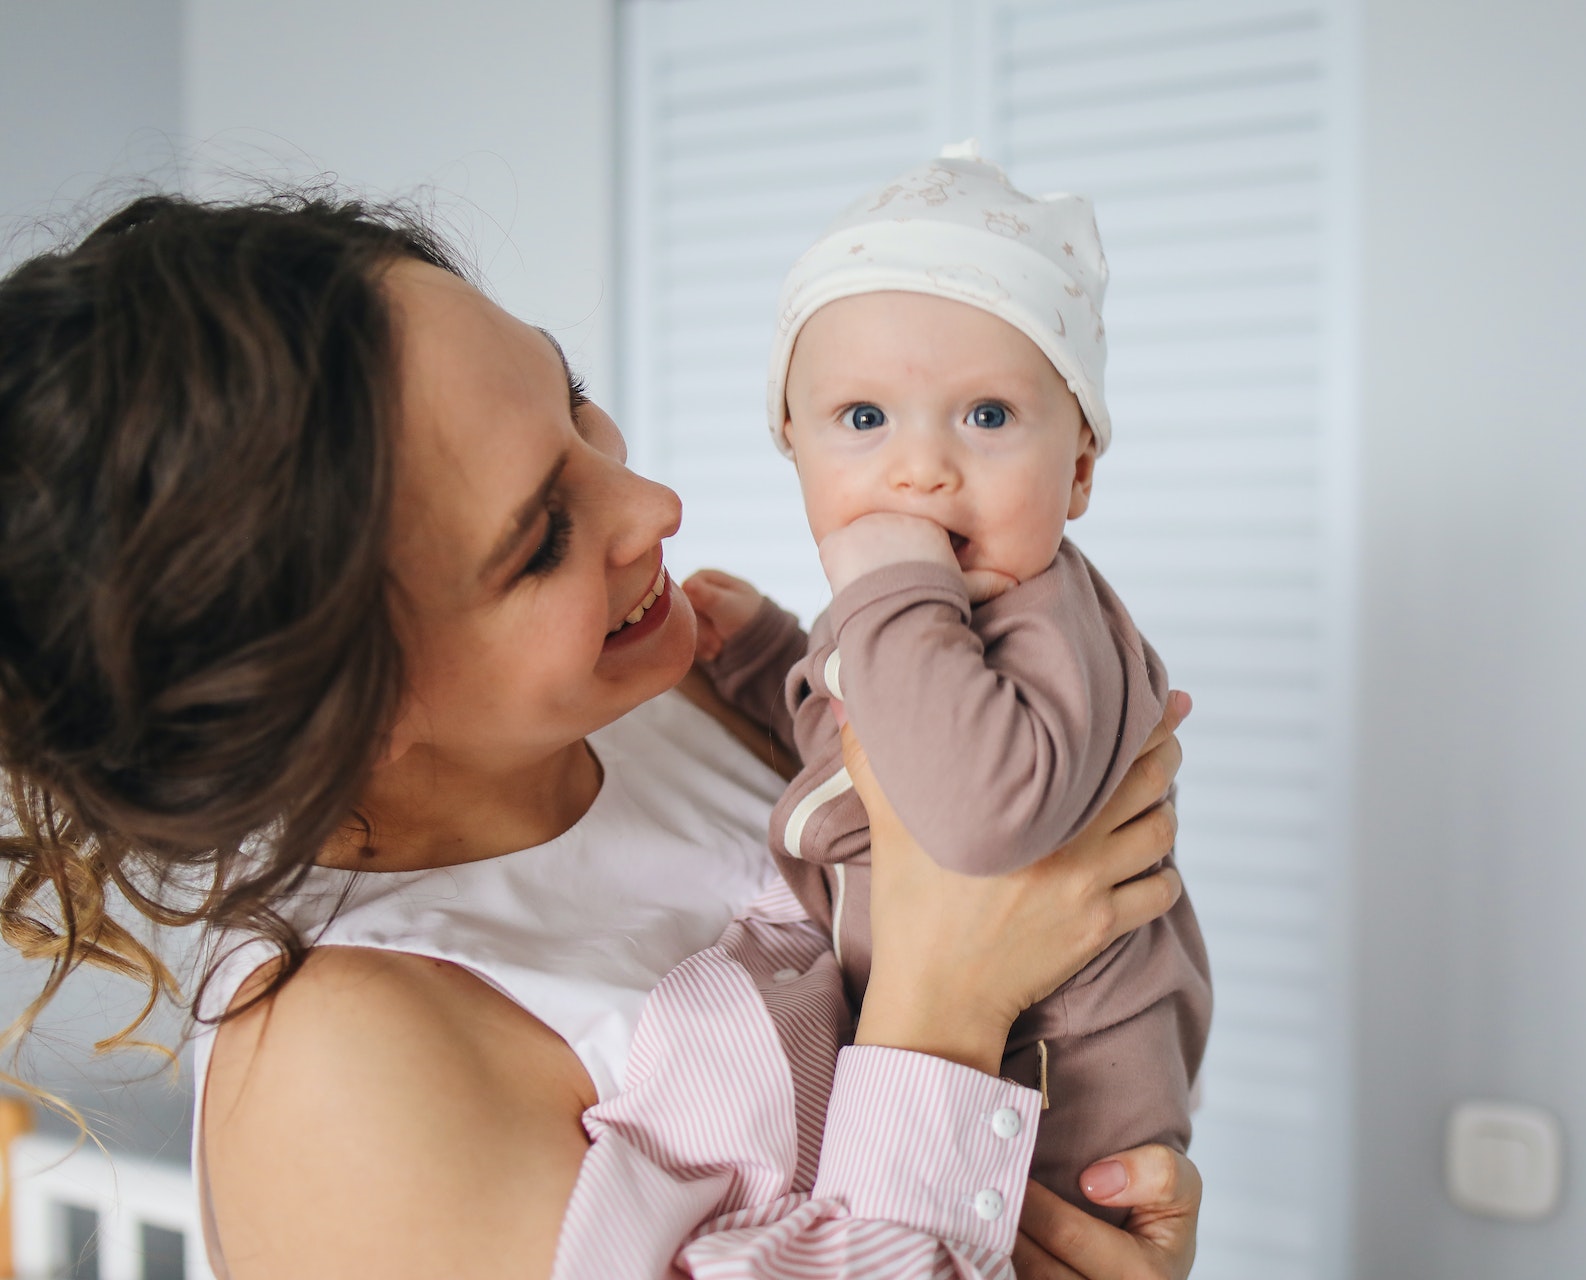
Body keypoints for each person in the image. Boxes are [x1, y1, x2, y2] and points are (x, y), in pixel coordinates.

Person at [0, 191, 1202, 1279]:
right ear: (336, 709)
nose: (653, 507)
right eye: (540, 538)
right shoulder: (346, 1071)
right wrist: (947, 993)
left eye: (573, 400)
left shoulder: (687, 690)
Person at [680, 143, 1209, 1223]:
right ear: (792, 444)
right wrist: (767, 656)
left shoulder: (1036, 612)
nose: (921, 467)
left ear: (1079, 470)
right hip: (951, 1077)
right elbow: (877, 753)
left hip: (1058, 1108)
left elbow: (968, 813)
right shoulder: (918, 613)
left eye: (988, 416)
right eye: (864, 419)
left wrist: (885, 590)